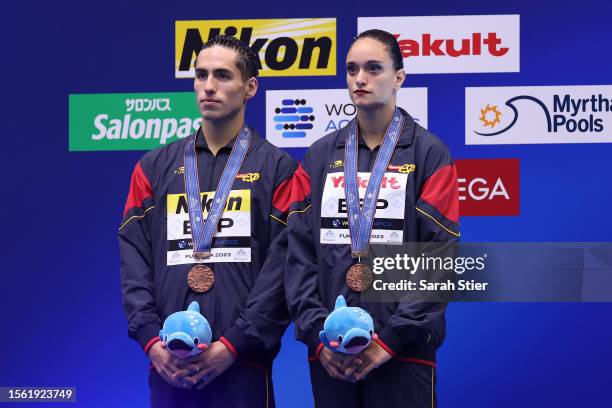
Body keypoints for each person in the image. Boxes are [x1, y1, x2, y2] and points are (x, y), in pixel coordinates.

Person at [284, 29, 460, 407]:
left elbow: (439, 255)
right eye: (351, 69)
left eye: (373, 68)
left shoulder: (431, 154)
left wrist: (391, 340)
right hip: (331, 353)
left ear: (399, 77)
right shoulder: (318, 157)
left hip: (403, 351)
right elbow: (298, 254)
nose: (360, 79)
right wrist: (319, 334)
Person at [119, 35, 297, 407]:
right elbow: (134, 259)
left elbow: (282, 268)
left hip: (242, 363)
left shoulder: (279, 169)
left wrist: (235, 344)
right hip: (170, 360)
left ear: (250, 87)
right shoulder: (153, 167)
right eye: (201, 75)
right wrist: (152, 341)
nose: (209, 86)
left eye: (222, 75)